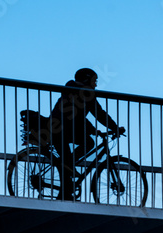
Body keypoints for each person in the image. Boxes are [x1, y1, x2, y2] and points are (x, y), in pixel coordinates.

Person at [50, 68, 125, 200]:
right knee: (85, 145)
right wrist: (115, 128)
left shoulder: (74, 91)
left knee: (72, 156)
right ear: (86, 80)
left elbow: (82, 116)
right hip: (61, 129)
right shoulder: (83, 93)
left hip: (60, 128)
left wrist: (94, 130)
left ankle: (66, 187)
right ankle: (66, 185)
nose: (95, 85)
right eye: (94, 81)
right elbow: (98, 114)